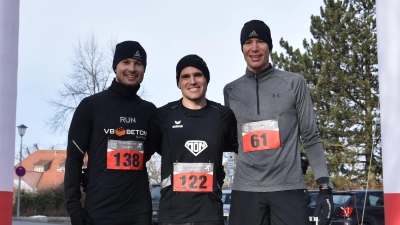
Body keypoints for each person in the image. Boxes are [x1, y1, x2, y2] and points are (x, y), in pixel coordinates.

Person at [223, 20, 334, 225]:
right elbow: (232, 141)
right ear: (242, 48)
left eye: (260, 41)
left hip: (288, 189)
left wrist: (324, 186)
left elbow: (310, 136)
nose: (254, 48)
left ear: (270, 46)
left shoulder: (294, 82)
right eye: (248, 42)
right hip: (246, 191)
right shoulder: (231, 91)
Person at [64, 40, 156, 225]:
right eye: (126, 62)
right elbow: (74, 160)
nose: (132, 68)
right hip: (99, 211)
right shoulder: (91, 106)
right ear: (115, 67)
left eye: (138, 64)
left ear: (144, 70)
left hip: (138, 213)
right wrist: (74, 209)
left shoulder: (150, 112)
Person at [146, 54, 238, 225]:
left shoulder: (223, 115)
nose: (192, 81)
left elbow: (244, 151)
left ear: (206, 79)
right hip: (172, 217)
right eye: (185, 76)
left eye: (198, 75)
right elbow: (146, 152)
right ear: (178, 82)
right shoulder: (163, 116)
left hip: (210, 215)